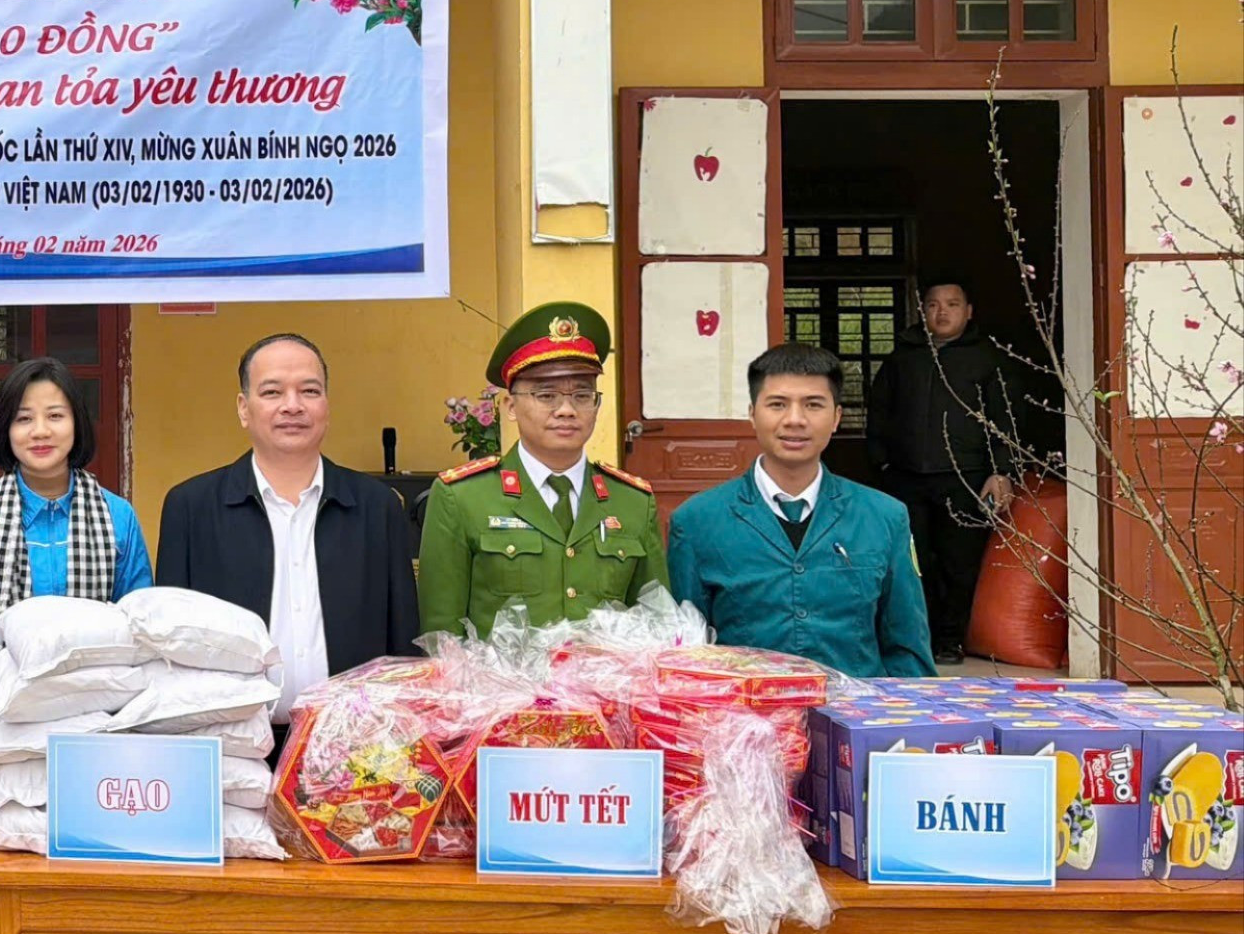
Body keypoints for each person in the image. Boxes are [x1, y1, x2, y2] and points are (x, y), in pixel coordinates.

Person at [156, 334, 421, 720]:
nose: (292, 406)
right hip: (233, 745)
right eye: (273, 392)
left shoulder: (377, 507)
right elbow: (172, 643)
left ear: (327, 406)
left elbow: (404, 643)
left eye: (309, 391)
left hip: (353, 747)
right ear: (244, 408)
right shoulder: (191, 507)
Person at [0, 357, 152, 783]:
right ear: (5, 429)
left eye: (55, 415)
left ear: (77, 424)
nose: (40, 431)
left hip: (99, 723)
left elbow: (141, 634)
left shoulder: (117, 517)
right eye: (23, 418)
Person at [667, 344, 933, 678]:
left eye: (813, 405)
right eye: (777, 404)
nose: (795, 420)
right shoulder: (696, 522)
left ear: (836, 417)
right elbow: (686, 657)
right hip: (746, 722)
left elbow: (907, 649)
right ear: (752, 413)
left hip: (857, 719)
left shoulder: (884, 517)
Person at [418, 303, 665, 638]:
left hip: (603, 689)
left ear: (597, 404)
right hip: (499, 690)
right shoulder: (462, 498)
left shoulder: (632, 501)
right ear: (510, 406)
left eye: (581, 394)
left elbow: (657, 625)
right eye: (546, 395)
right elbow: (441, 636)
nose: (565, 410)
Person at [866, 273, 1024, 664]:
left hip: (966, 477)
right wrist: (882, 461)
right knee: (911, 561)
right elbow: (879, 413)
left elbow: (1006, 418)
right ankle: (913, 636)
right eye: (934, 305)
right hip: (905, 477)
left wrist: (1001, 470)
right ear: (923, 311)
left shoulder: (988, 360)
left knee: (959, 563)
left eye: (952, 304)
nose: (942, 312)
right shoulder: (902, 357)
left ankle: (951, 639)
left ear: (968, 312)